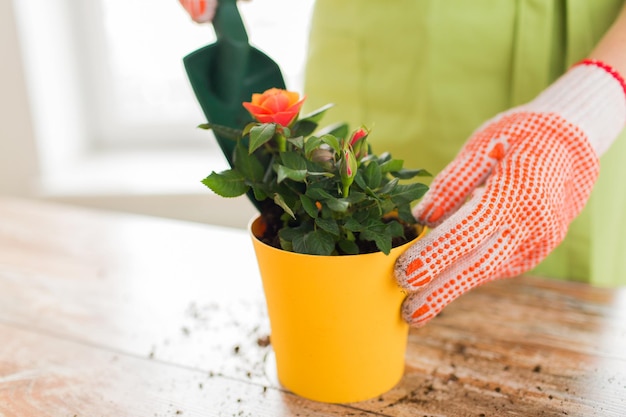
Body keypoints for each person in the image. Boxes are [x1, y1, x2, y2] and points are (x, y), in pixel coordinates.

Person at [180, 0, 626, 326]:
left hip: (590, 74)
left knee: (551, 328)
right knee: (342, 237)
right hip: (383, 52)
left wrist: (591, 101)